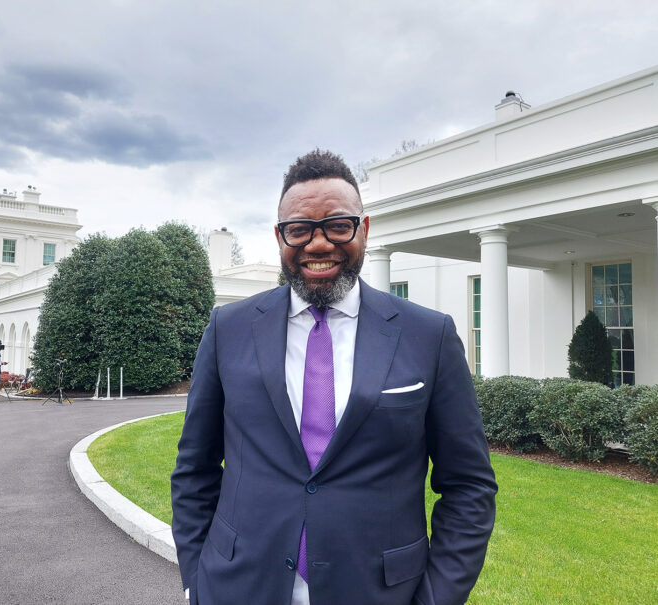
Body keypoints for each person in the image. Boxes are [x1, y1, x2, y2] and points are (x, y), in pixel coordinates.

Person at [171, 150, 497, 605]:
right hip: (238, 587)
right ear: (279, 236)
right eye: (299, 229)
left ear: (364, 229)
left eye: (338, 226)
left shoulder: (429, 335)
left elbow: (468, 486)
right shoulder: (229, 328)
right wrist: (195, 580)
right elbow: (194, 469)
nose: (318, 244)